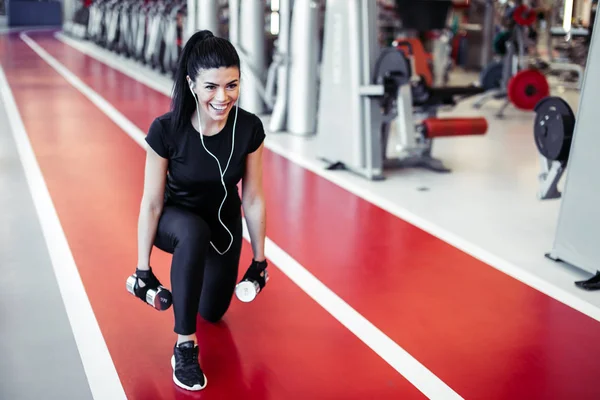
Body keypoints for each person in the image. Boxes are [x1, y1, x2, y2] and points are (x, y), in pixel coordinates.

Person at [133, 29, 267, 391]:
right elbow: (151, 202)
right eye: (211, 87)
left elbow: (252, 197)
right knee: (193, 232)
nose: (223, 97)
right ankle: (184, 347)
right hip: (175, 220)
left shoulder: (249, 128)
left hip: (223, 228)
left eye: (232, 85)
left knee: (212, 311)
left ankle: (201, 297)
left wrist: (259, 260)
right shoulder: (166, 130)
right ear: (192, 84)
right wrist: (142, 270)